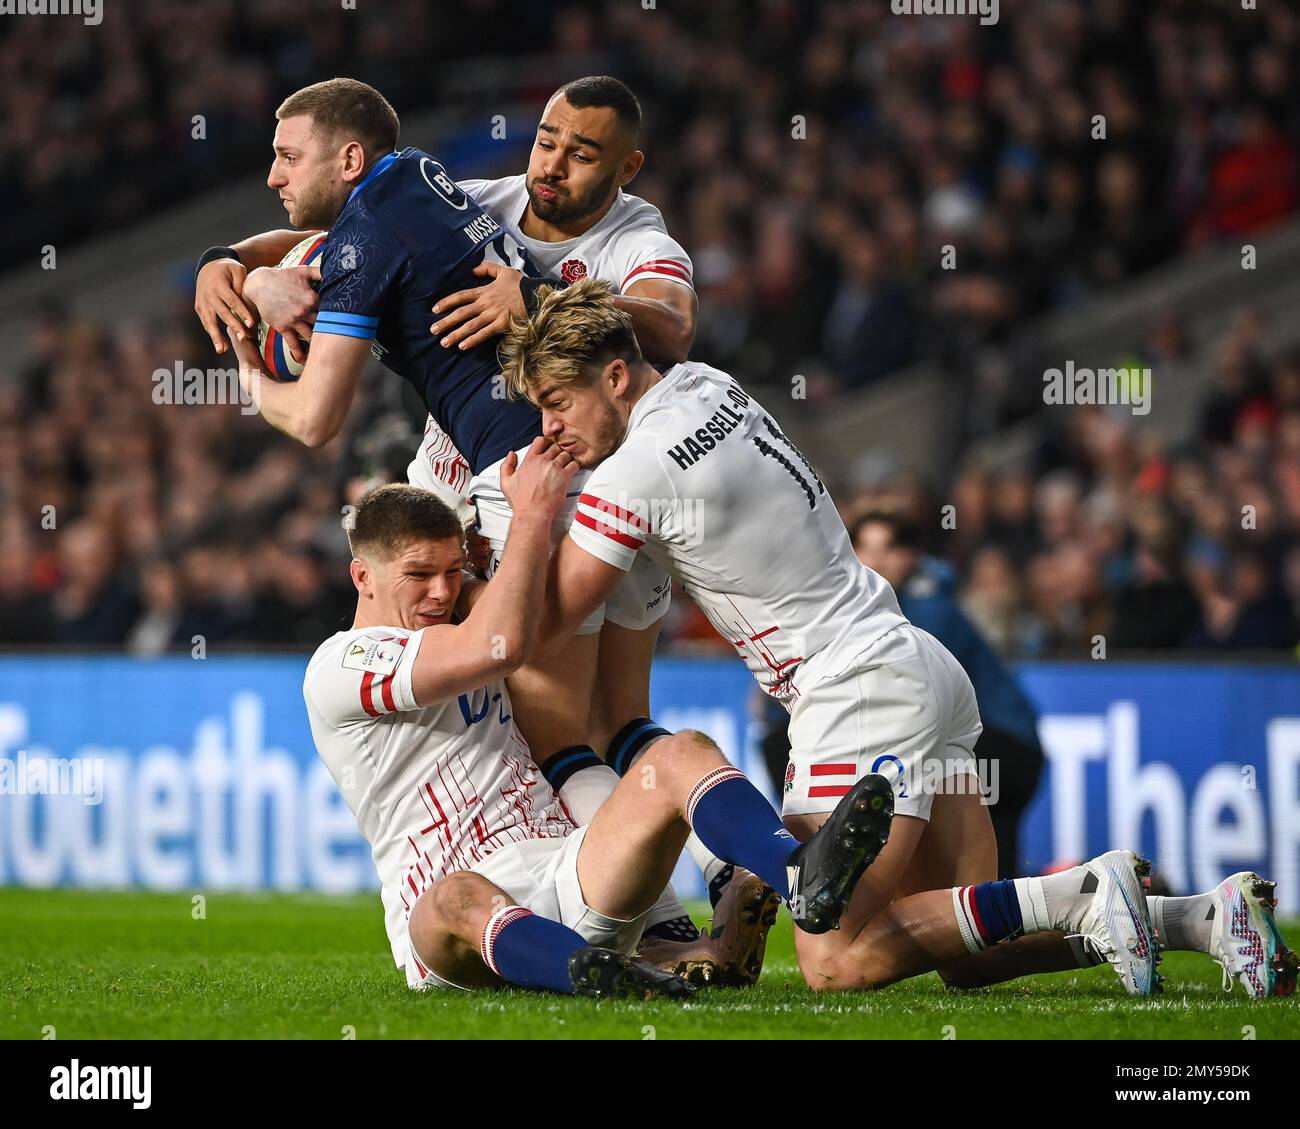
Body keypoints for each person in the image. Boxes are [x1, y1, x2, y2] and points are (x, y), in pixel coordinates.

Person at [493, 278, 1297, 999]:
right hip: (911, 661)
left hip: (852, 690)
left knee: (835, 959)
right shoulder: (709, 387)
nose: (550, 426)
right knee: (971, 947)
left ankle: (1084, 887)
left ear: (616, 377)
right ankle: (1201, 917)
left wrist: (531, 511)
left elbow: (550, 620)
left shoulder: (635, 473)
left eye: (557, 401)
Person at [193, 77, 769, 982]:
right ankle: (729, 861)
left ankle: (667, 920)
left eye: (581, 154)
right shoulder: (444, 183)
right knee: (620, 720)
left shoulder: (637, 237)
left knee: (551, 733)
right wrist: (230, 265)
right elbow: (309, 236)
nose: (551, 164)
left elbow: (672, 325)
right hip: (616, 477)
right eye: (545, 140)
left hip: (537, 473)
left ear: (627, 168)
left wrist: (538, 297)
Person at [303, 455, 893, 996]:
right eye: (418, 574)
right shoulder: (344, 664)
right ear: (363, 578)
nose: (441, 590)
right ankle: (596, 971)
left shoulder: (459, 617)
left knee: (681, 751)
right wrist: (531, 513)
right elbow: (498, 646)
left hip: (572, 869)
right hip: (456, 924)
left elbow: (533, 615)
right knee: (453, 897)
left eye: (453, 570)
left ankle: (797, 874)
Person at [848, 510, 1044, 878]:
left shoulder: (926, 612)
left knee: (975, 883)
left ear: (911, 556)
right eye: (865, 547)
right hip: (998, 745)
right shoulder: (905, 605)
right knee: (988, 885)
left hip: (1000, 745)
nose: (875, 560)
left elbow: (903, 692)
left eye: (890, 548)